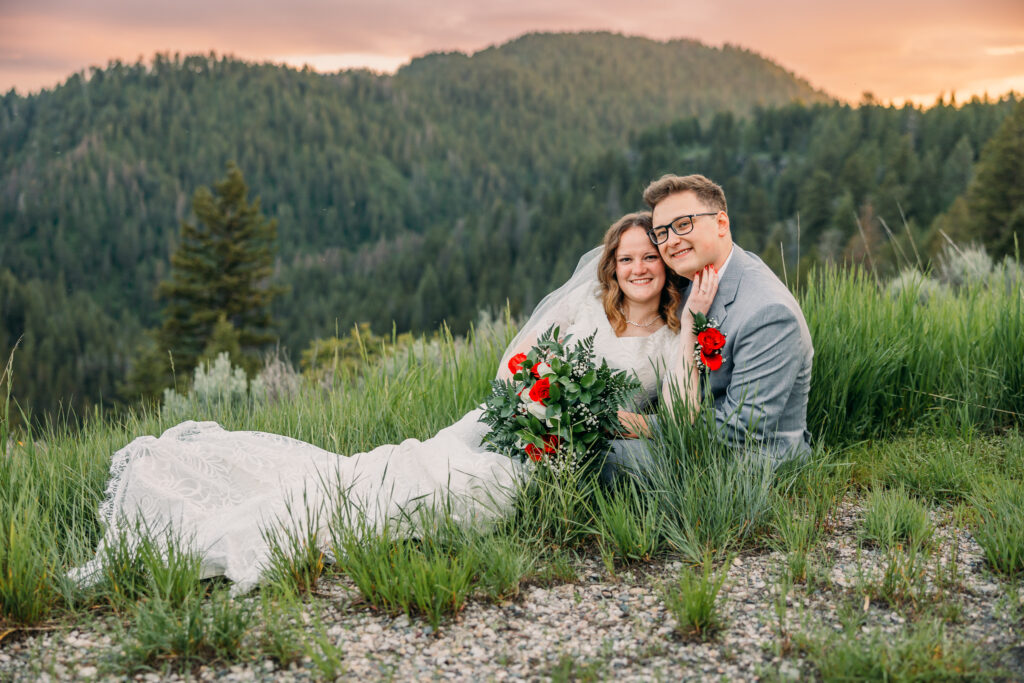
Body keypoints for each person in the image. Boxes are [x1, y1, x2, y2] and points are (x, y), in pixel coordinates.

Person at [71, 212, 695, 594]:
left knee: (465, 495)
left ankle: (323, 525)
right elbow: (517, 363)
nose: (638, 268)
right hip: (511, 423)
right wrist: (543, 392)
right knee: (406, 468)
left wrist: (591, 415)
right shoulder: (585, 306)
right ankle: (286, 519)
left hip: (564, 454)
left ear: (666, 267)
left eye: (649, 258)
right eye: (626, 258)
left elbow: (674, 422)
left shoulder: (673, 338)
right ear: (610, 265)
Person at [605, 174, 813, 481]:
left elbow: (739, 430)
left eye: (683, 224)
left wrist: (638, 425)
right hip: (696, 437)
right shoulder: (692, 279)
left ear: (721, 224)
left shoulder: (769, 313)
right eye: (661, 232)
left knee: (594, 456)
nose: (671, 240)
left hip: (747, 463)